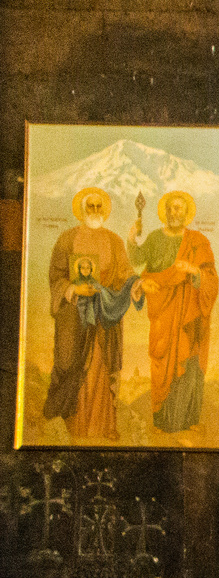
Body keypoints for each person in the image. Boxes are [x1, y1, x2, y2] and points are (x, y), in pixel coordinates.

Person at [44, 187, 136, 440]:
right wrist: (73, 288)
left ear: (104, 210)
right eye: (90, 206)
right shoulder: (66, 239)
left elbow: (124, 273)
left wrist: (135, 284)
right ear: (82, 210)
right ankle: (76, 427)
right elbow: (56, 276)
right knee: (74, 364)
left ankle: (104, 426)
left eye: (98, 206)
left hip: (104, 317)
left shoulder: (115, 241)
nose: (94, 211)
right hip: (75, 319)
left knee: (102, 367)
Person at [129, 190, 218, 433]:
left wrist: (193, 270)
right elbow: (138, 261)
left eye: (178, 208)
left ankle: (186, 421)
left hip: (189, 311)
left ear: (187, 212)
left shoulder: (198, 241)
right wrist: (131, 240)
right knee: (162, 359)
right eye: (170, 208)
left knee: (187, 361)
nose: (173, 212)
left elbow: (211, 278)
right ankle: (163, 421)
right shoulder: (155, 238)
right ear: (164, 212)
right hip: (163, 311)